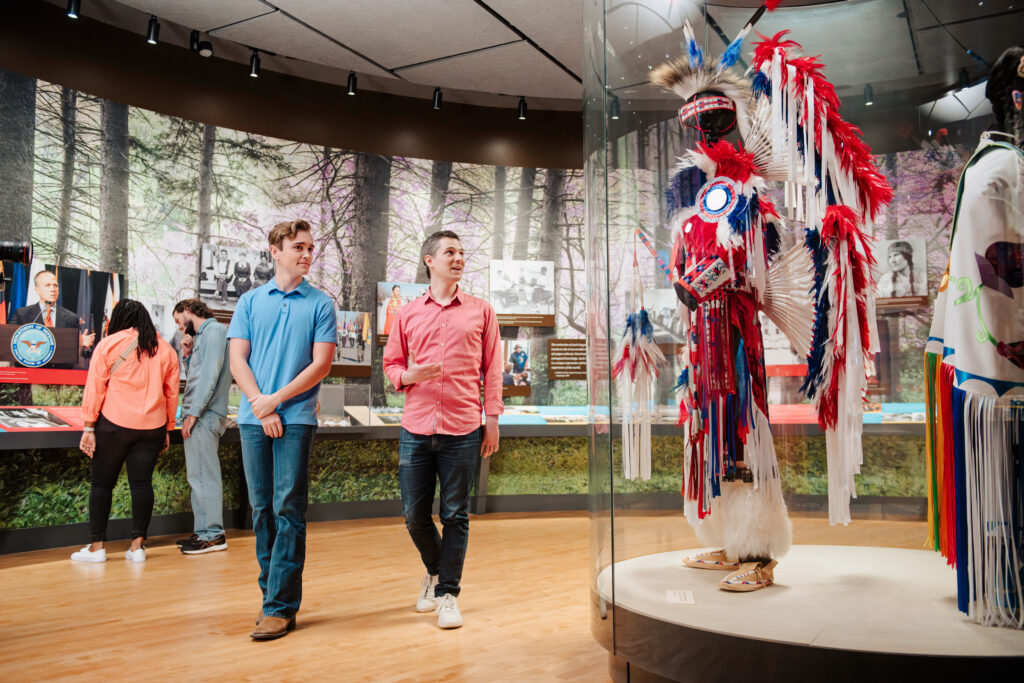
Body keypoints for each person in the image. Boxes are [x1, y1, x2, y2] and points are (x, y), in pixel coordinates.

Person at [383, 229, 503, 630]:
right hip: (416, 428)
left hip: (463, 428)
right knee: (414, 515)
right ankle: (436, 573)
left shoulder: (482, 311)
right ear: (429, 260)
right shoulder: (408, 313)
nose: (459, 258)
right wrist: (408, 376)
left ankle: (448, 593)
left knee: (455, 515)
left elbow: (492, 369)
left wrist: (492, 420)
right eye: (450, 252)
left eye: (462, 252)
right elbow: (391, 364)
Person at [228, 219, 336, 640]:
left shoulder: (321, 304)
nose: (307, 254)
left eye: (310, 248)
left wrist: (276, 401)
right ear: (275, 251)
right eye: (298, 247)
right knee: (261, 510)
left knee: (288, 510)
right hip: (254, 418)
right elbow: (238, 360)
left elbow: (321, 365)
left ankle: (279, 606)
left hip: (296, 420)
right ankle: (270, 595)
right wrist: (261, 404)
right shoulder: (250, 301)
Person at [72, 299, 179, 564]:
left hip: (114, 424)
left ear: (120, 319)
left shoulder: (109, 344)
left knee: (101, 484)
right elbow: (171, 394)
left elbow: (95, 387)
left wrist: (88, 426)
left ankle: (97, 548)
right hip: (152, 428)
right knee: (142, 485)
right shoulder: (166, 349)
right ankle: (137, 547)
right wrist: (167, 429)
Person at [173, 298, 232, 555]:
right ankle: (203, 531)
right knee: (197, 476)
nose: (179, 328)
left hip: (204, 416)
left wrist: (193, 413)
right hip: (199, 414)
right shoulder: (202, 337)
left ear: (188, 310)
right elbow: (197, 376)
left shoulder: (215, 331)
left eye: (178, 321)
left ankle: (213, 535)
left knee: (204, 476)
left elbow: (210, 374)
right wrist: (187, 355)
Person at [10, 269, 96, 355]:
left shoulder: (71, 318)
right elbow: (11, 342)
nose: (52, 289)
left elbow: (77, 355)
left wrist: (82, 346)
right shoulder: (22, 314)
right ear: (37, 290)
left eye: (55, 285)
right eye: (47, 285)